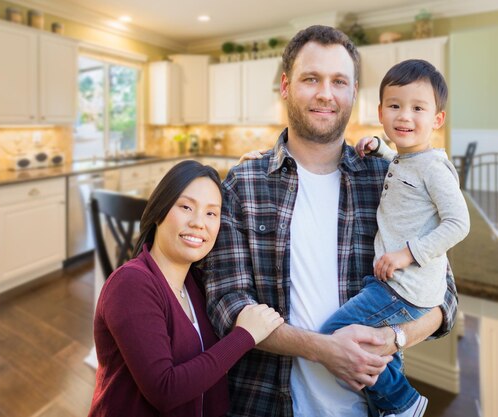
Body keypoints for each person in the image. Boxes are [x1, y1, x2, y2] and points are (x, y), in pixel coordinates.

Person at [203, 25, 459, 417]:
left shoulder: (385, 176)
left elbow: (444, 295)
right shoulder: (245, 183)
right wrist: (325, 349)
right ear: (286, 87)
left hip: (367, 407)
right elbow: (226, 303)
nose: (326, 93)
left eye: (339, 81)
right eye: (311, 79)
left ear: (354, 93)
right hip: (265, 402)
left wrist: (394, 337)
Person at [318, 59, 469, 417]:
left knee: (334, 334)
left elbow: (458, 223)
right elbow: (404, 176)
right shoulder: (405, 159)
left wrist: (407, 254)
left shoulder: (434, 167)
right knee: (376, 347)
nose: (405, 116)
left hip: (403, 286)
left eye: (418, 108)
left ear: (437, 120)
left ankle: (402, 401)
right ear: (381, 112)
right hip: (394, 283)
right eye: (396, 106)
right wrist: (380, 150)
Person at [88, 160, 284, 417]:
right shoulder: (131, 284)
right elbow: (165, 390)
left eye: (211, 213)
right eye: (186, 207)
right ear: (159, 211)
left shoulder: (196, 283)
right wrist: (244, 335)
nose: (198, 223)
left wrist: (256, 165)